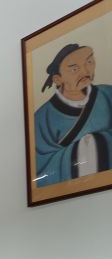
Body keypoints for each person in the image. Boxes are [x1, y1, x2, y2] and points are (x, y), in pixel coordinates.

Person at [34, 44, 112, 187]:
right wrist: (85, 148)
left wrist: (98, 142)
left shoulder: (108, 94)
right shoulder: (41, 118)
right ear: (58, 79)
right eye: (75, 69)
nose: (85, 71)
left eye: (89, 62)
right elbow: (39, 167)